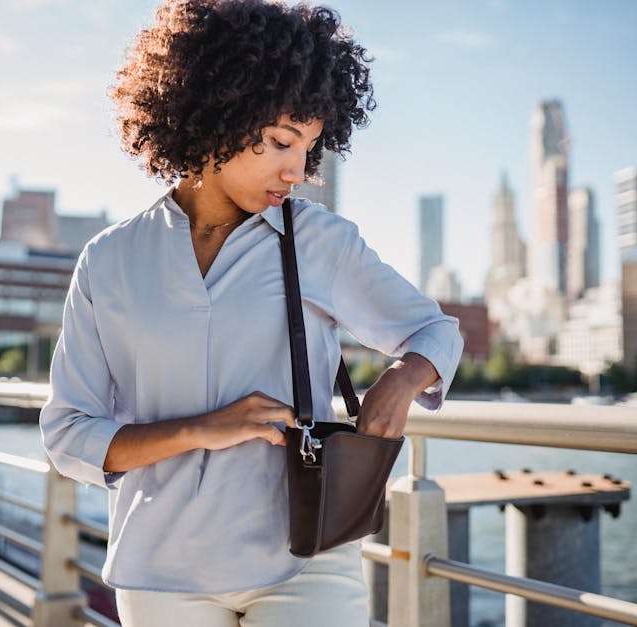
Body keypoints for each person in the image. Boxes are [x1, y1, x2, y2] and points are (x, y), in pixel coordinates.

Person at [39, 1, 463, 625]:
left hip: (307, 556)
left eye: (311, 147)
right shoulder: (110, 260)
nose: (299, 170)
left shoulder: (319, 240)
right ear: (213, 114)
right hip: (160, 572)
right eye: (280, 143)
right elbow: (69, 434)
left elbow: (436, 330)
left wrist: (399, 383)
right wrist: (200, 428)